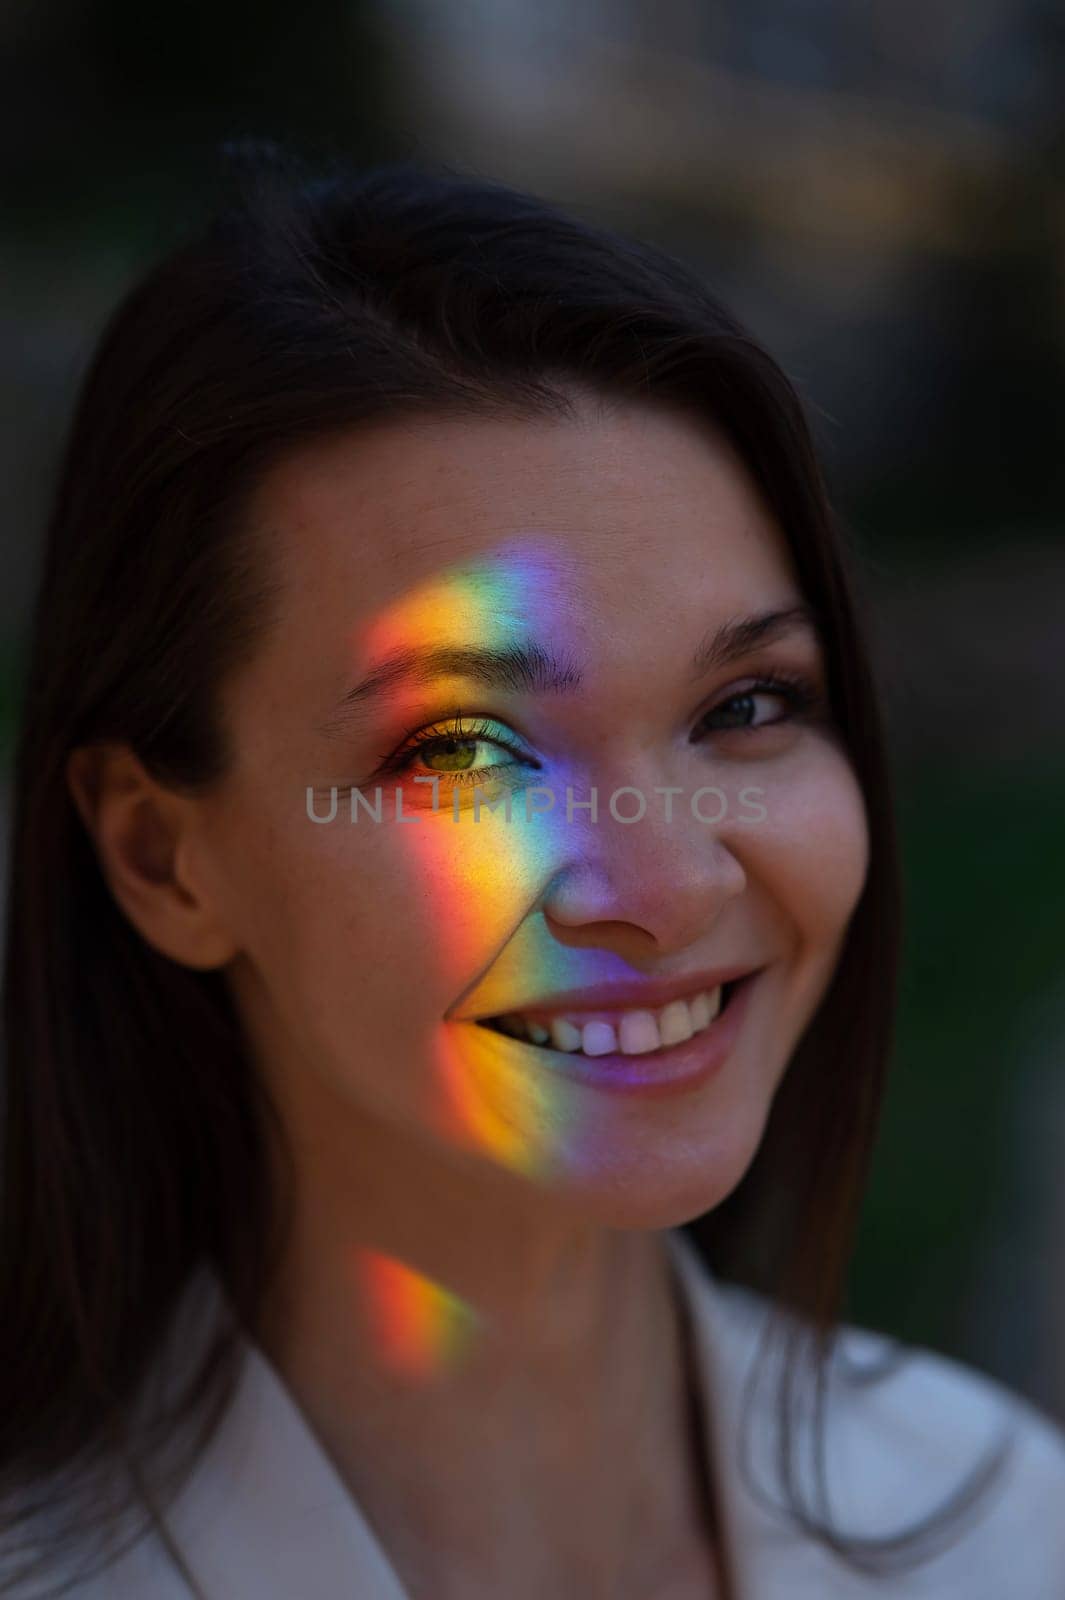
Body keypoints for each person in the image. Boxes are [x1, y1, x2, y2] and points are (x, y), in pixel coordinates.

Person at [1, 146, 1063, 1600]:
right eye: (465, 752)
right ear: (160, 855)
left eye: (744, 705)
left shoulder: (998, 1522)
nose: (666, 886)